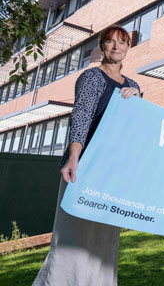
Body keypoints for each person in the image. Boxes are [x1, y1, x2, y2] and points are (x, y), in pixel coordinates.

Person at [33, 25, 141, 286]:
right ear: (102, 46)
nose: (116, 47)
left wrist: (138, 100)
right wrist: (73, 158)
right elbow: (80, 118)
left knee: (104, 236)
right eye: (111, 42)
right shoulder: (92, 77)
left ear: (128, 48)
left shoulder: (134, 85)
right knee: (73, 236)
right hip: (85, 167)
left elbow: (135, 126)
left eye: (122, 42)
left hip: (111, 170)